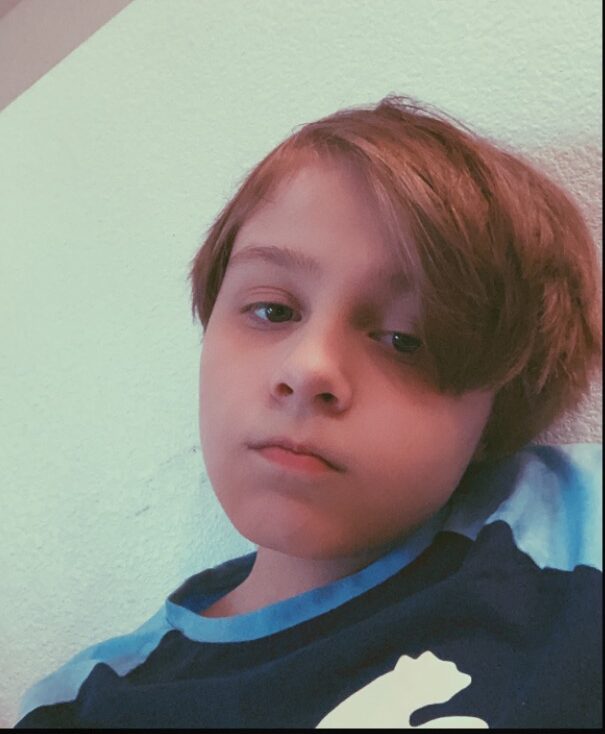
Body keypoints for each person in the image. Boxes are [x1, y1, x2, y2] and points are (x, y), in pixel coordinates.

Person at [15, 95, 602, 728]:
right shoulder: (80, 703)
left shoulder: (571, 537)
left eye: (405, 339)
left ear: (500, 411)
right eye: (273, 310)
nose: (308, 369)